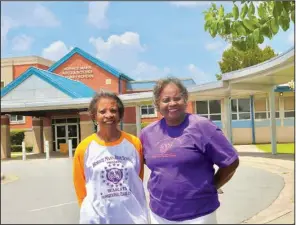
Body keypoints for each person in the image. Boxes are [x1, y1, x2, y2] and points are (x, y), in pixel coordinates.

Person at [140, 77, 239, 224]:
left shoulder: (203, 127)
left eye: (177, 98)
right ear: (157, 104)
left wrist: (213, 186)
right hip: (159, 215)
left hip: (199, 215)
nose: (172, 103)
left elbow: (231, 161)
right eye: (166, 100)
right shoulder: (147, 133)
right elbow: (151, 164)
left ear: (185, 99)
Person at [73, 91, 149, 224]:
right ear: (94, 116)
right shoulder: (84, 148)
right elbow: (80, 188)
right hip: (97, 219)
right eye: (102, 111)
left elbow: (137, 179)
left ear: (119, 114)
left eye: (113, 110)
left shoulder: (134, 143)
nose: (109, 115)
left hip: (131, 218)